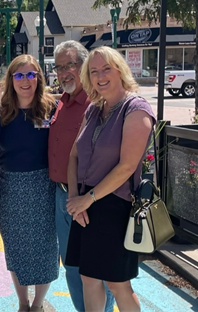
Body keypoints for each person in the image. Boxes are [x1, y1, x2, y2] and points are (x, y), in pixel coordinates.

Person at [66, 46, 155, 312]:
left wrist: (87, 199)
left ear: (120, 70)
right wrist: (74, 199)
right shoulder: (94, 109)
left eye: (106, 69)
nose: (100, 76)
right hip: (84, 204)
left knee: (118, 284)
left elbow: (127, 166)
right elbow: (73, 156)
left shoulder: (136, 109)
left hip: (114, 205)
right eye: (94, 71)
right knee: (88, 278)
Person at [48, 41, 115, 312]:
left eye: (70, 65)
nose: (64, 73)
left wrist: (82, 197)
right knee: (72, 267)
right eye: (59, 67)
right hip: (63, 197)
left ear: (83, 66)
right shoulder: (61, 103)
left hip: (91, 199)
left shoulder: (97, 102)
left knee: (96, 270)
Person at [0, 54, 57, 312]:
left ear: (38, 78)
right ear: (11, 80)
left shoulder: (52, 108)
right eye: (19, 75)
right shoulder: (0, 112)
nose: (25, 80)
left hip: (44, 185)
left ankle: (38, 304)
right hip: (9, 188)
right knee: (16, 248)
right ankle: (23, 303)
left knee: (45, 247)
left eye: (31, 74)